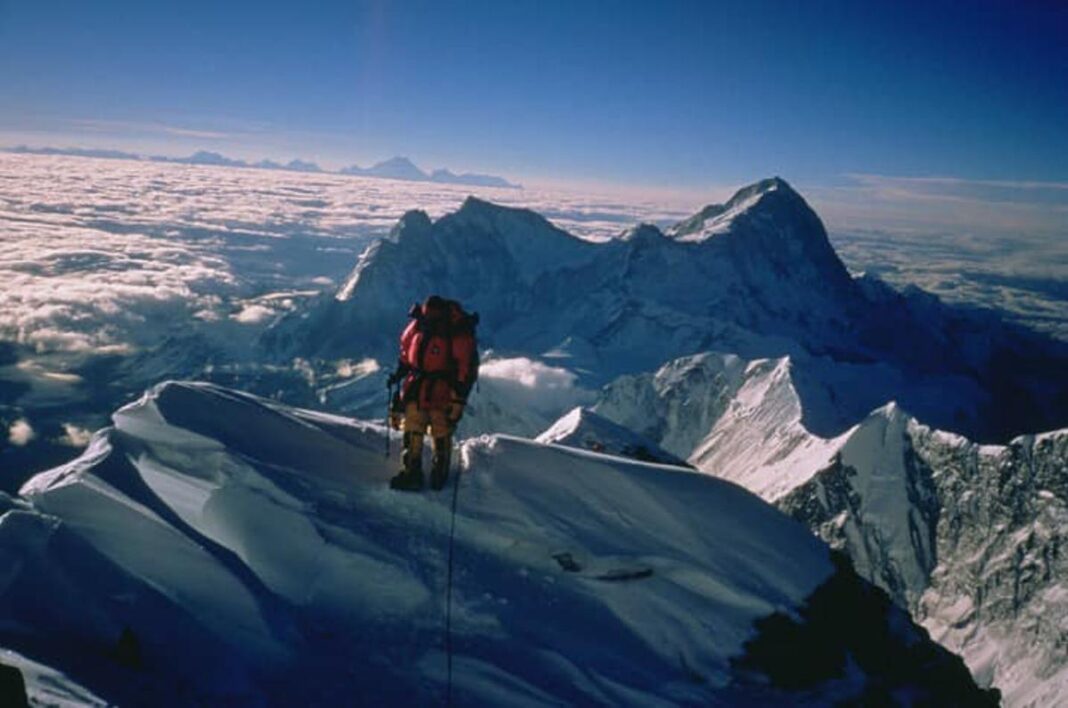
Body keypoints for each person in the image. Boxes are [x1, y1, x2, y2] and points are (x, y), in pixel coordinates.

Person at [387, 295, 478, 491]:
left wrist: (400, 374)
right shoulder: (448, 329)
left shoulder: (420, 326)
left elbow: (406, 353)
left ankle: (414, 473)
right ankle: (436, 474)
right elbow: (464, 366)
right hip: (436, 388)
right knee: (436, 431)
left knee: (417, 429)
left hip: (425, 386)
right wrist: (459, 396)